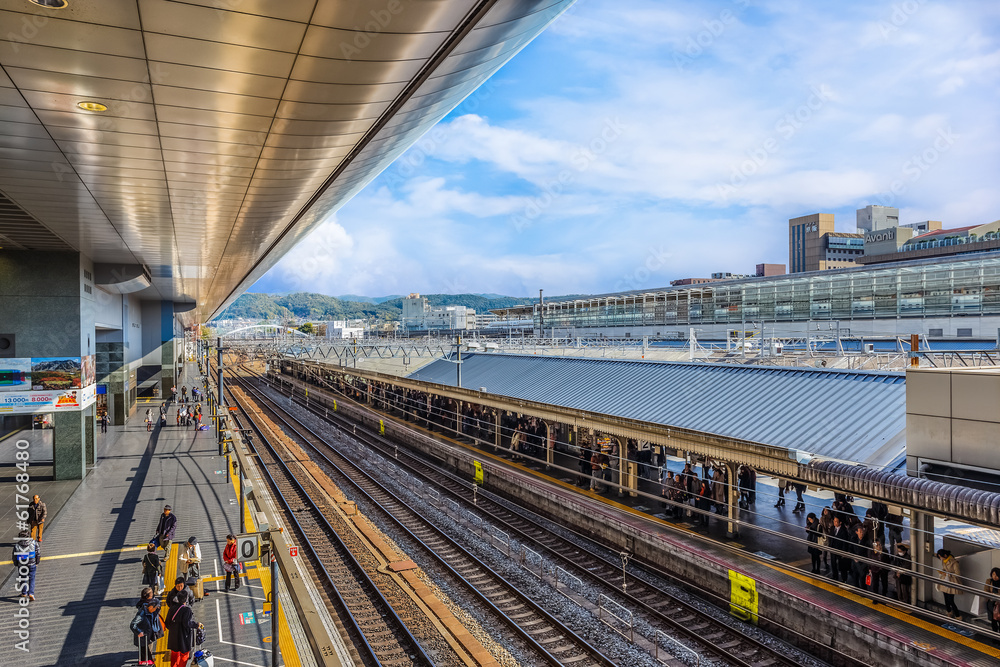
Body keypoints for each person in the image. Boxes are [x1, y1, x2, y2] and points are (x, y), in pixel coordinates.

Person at [165, 599, 203, 667]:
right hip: (184, 636)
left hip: (173, 636)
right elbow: (187, 623)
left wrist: (173, 629)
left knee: (174, 654)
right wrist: (196, 625)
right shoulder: (187, 610)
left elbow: (167, 623)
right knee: (184, 655)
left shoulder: (172, 608)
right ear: (186, 600)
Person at [131, 597, 164, 666]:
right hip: (142, 640)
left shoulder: (150, 610)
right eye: (155, 608)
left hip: (147, 639)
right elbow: (133, 624)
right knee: (146, 658)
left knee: (146, 658)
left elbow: (155, 614)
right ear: (151, 607)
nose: (155, 610)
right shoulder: (141, 614)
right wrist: (139, 632)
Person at [11, 529, 39, 601]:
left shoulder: (17, 546)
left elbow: (14, 556)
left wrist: (16, 563)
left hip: (22, 565)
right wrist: (37, 562)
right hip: (32, 563)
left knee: (23, 578)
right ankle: (31, 593)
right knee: (32, 578)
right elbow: (38, 553)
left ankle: (24, 593)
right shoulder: (34, 543)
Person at [935, 549, 962, 619]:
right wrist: (942, 572)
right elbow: (944, 569)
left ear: (945, 555)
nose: (940, 558)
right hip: (945, 580)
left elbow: (958, 574)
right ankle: (949, 612)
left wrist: (948, 574)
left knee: (950, 600)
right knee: (946, 598)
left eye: (941, 557)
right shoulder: (944, 561)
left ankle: (957, 615)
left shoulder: (954, 562)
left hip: (952, 581)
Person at [829, 515, 850, 583]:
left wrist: (843, 552)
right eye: (834, 521)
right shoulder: (832, 528)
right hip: (833, 549)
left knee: (842, 565)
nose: (835, 523)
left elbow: (845, 542)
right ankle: (835, 575)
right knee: (833, 563)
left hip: (840, 550)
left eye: (836, 522)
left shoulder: (844, 531)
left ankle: (844, 579)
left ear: (840, 522)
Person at [850, 524, 872, 590]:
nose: (862, 533)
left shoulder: (867, 541)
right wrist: (854, 557)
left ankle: (863, 591)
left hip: (863, 563)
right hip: (855, 562)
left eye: (862, 531)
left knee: (862, 578)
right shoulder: (854, 539)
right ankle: (856, 589)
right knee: (855, 577)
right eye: (860, 531)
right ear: (856, 532)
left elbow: (868, 553)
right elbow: (850, 549)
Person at [984, 567, 1000, 639]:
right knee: (993, 621)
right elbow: (985, 591)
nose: (994, 577)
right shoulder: (989, 581)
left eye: (996, 575)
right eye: (993, 574)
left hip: (999, 604)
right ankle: (995, 636)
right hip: (991, 603)